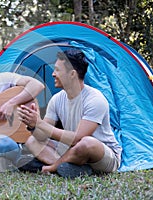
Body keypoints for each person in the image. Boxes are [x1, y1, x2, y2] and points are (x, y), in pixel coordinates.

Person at [17, 48, 122, 178]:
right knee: (32, 141)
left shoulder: (95, 99)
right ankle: (75, 167)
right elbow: (41, 136)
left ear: (72, 74)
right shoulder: (57, 99)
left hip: (102, 155)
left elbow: (77, 139)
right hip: (72, 151)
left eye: (57, 70)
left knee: (87, 143)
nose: (53, 74)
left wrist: (39, 123)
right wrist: (33, 124)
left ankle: (50, 168)